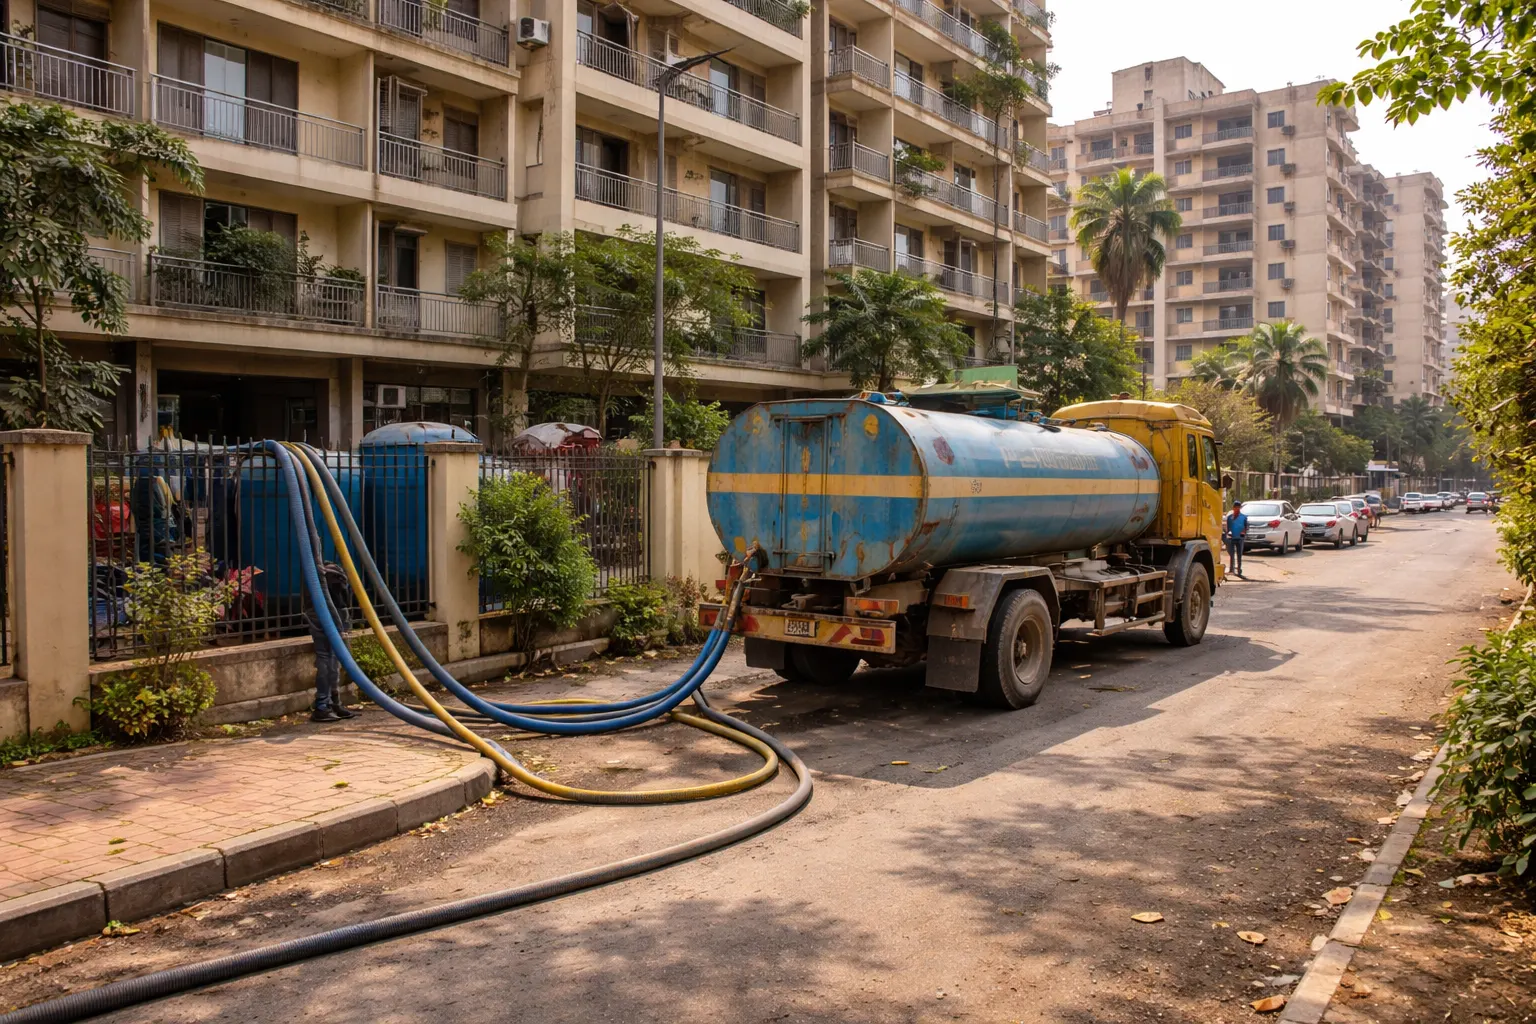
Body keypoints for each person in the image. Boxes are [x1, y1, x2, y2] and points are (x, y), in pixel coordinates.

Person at [307, 562, 356, 723]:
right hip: (332, 614)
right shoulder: (328, 573)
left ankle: (330, 703)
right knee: (330, 659)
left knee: (331, 659)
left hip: (324, 613)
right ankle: (324, 704)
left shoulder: (316, 573)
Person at [1223, 500, 1248, 578]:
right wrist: (1228, 534)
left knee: (1239, 554)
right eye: (1236, 507)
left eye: (1238, 507)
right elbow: (1228, 528)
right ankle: (1231, 568)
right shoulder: (1230, 518)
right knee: (1232, 554)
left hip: (1240, 538)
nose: (1237, 509)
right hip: (1232, 538)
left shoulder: (1243, 517)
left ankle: (1239, 569)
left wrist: (1243, 533)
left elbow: (1246, 527)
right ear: (1233, 508)